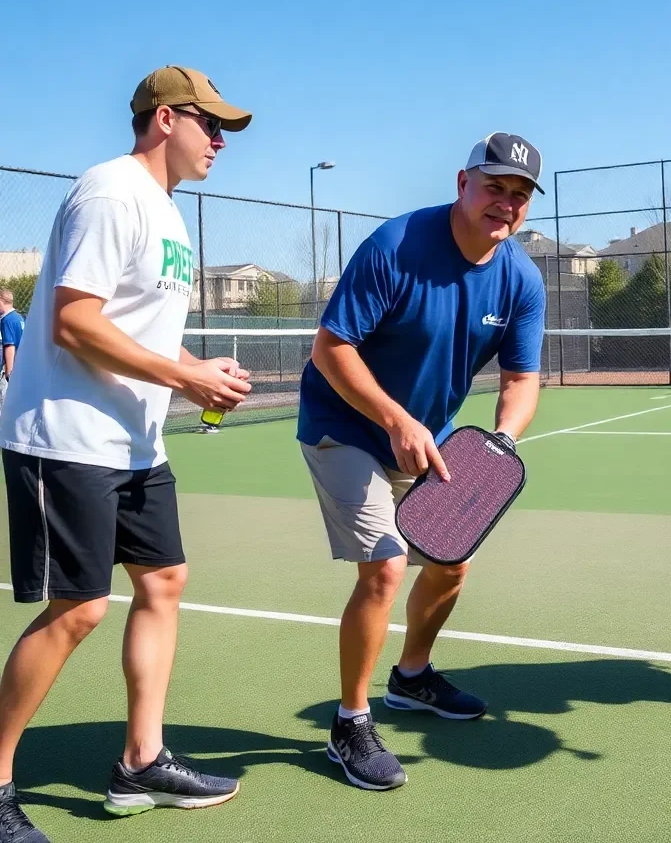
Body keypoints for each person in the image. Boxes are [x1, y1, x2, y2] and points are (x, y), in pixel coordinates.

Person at [0, 66, 254, 841]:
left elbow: (138, 332)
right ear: (164, 119)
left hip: (134, 444)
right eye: (209, 125)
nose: (219, 141)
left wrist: (189, 382)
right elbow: (76, 321)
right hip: (67, 438)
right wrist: (183, 371)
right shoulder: (110, 191)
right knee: (76, 609)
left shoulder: (169, 214)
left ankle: (140, 762)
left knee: (165, 582)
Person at [297, 131, 547, 791]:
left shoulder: (520, 278)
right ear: (463, 184)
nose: (506, 203)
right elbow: (331, 349)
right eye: (495, 187)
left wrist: (501, 442)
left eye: (519, 195)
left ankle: (411, 677)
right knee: (385, 563)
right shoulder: (395, 247)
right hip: (343, 424)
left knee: (452, 561)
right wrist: (395, 418)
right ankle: (350, 723)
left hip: (430, 436)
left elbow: (521, 380)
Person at [0, 290, 25, 417]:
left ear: (1, 301)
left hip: (13, 366)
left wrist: (9, 371)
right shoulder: (18, 317)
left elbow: (9, 345)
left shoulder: (7, 320)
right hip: (22, 363)